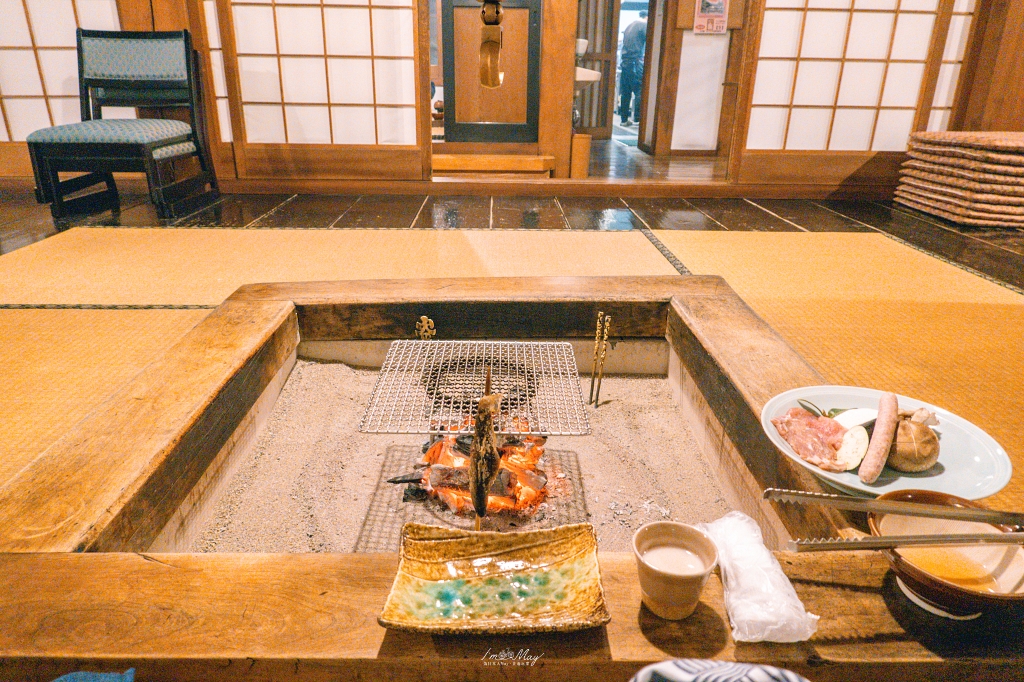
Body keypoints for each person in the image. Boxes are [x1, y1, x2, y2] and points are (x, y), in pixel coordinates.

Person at [618, 10, 647, 127]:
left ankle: (624, 120)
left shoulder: (630, 25)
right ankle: (638, 120)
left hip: (625, 62)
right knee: (639, 90)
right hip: (635, 62)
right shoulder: (644, 25)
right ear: (647, 17)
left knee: (626, 92)